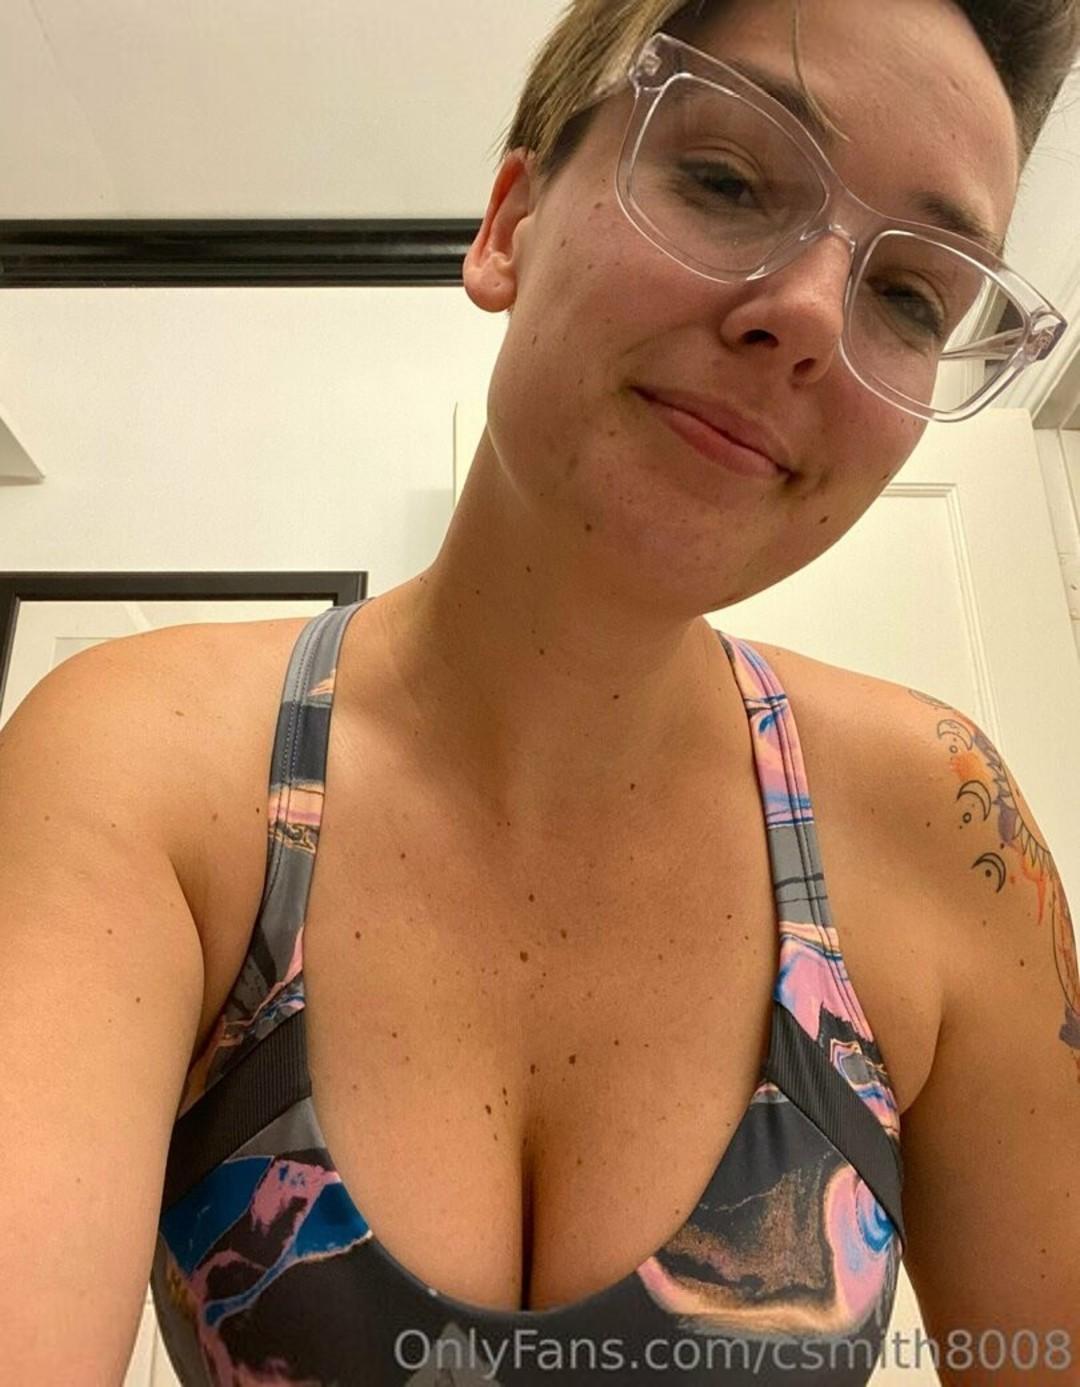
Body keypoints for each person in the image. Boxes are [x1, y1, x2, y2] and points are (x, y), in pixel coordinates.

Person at [3, 1, 1079, 1383]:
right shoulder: (143, 767)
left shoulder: (946, 826)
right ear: (509, 223)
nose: (811, 313)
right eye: (728, 179)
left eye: (912, 296)